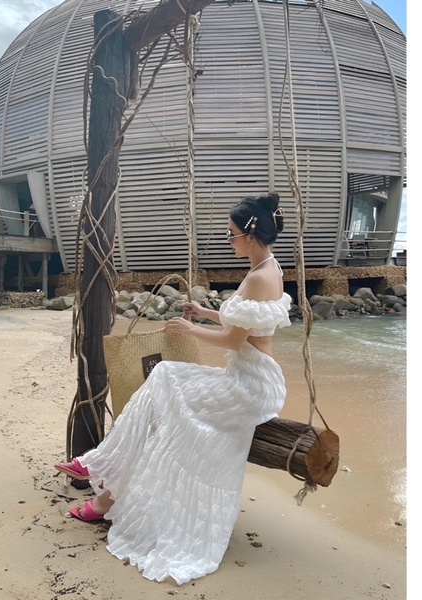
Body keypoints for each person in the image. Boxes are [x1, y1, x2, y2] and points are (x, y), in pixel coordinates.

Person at [55, 191, 292, 585]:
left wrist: (188, 329)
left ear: (250, 237)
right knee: (164, 394)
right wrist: (204, 312)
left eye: (231, 234)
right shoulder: (270, 267)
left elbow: (235, 340)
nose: (229, 241)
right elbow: (245, 325)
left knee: (166, 395)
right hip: (253, 378)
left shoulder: (257, 277)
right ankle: (102, 479)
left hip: (249, 386)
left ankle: (100, 470)